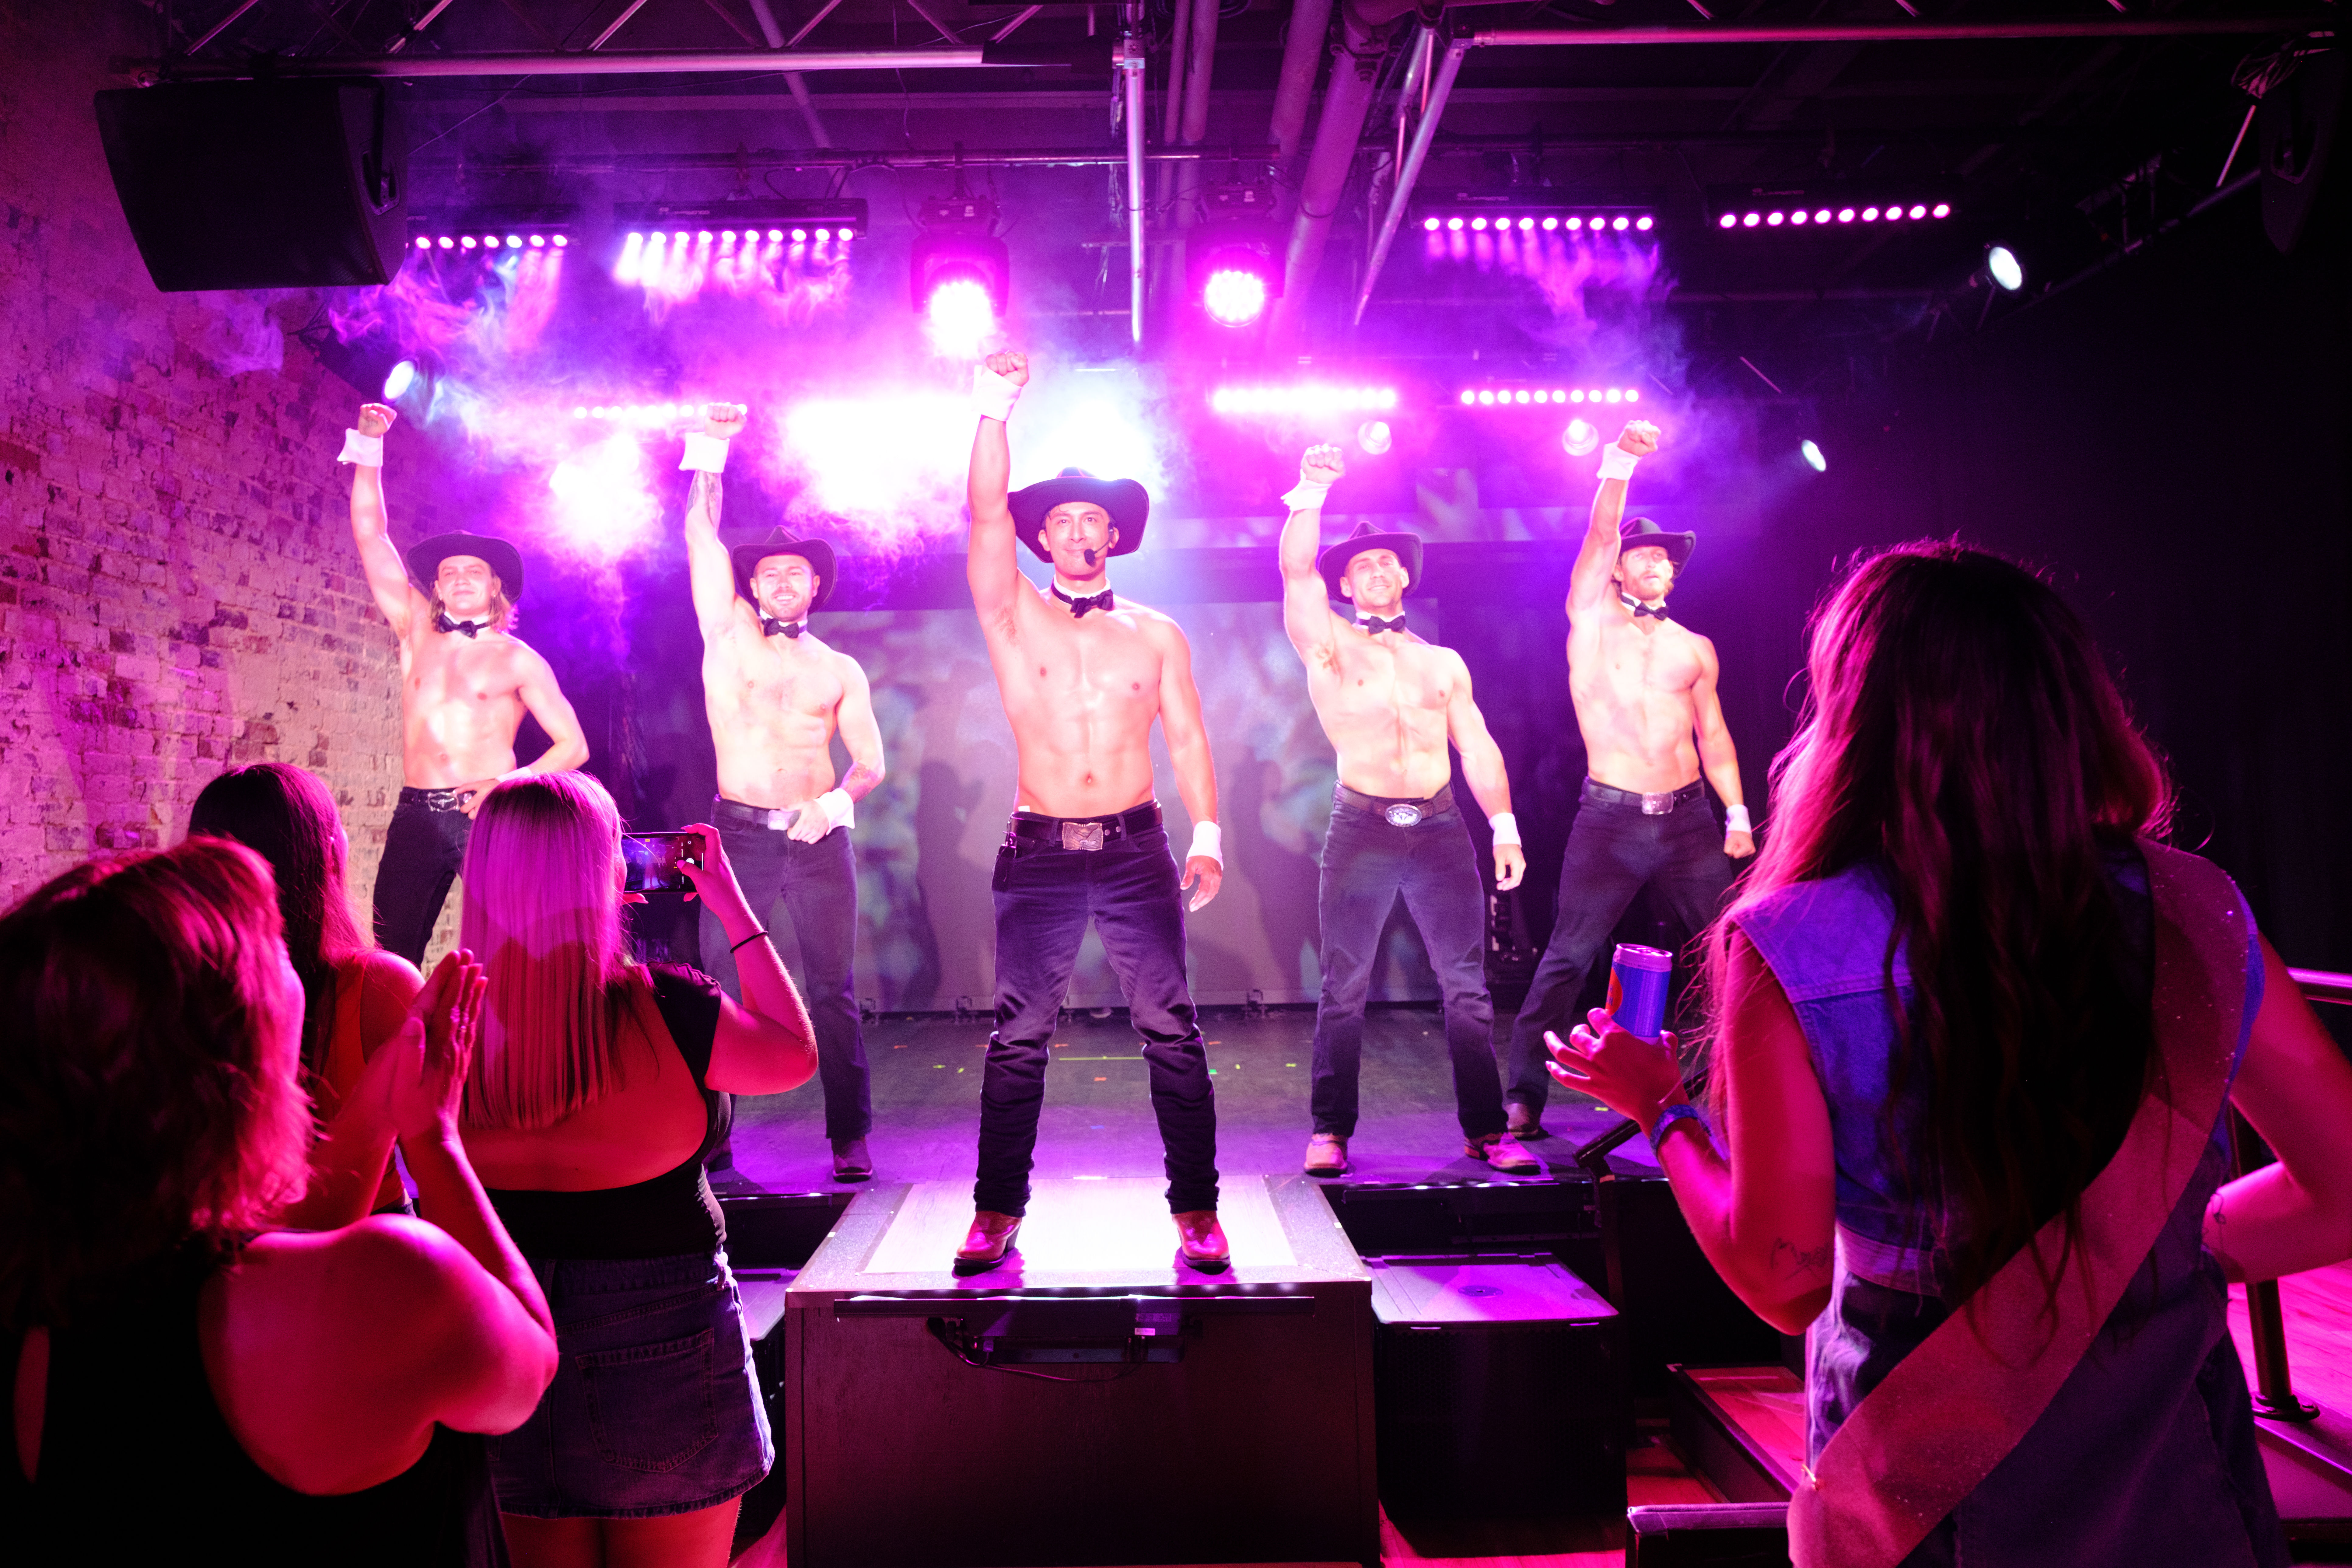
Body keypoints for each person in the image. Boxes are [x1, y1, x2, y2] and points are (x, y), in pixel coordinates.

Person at [1548, 542, 2352, 1567]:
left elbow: (1783, 1276)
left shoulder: (1790, 943)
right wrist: (2153, 1248)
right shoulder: (2199, 909)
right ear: (2072, 709)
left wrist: (1660, 1107)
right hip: (2171, 1463)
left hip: (1926, 1468)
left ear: (1855, 721)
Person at [1, 838, 558, 1565]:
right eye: (271, 957)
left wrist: (382, 1107)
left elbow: (228, 1280)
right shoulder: (397, 1278)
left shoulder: (47, 1302)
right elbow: (529, 1366)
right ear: (227, 1051)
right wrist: (435, 1141)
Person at [451, 773, 819, 1568]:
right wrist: (730, 904)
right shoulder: (670, 1010)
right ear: (602, 873)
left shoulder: (448, 1024)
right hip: (668, 1355)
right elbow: (793, 1053)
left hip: (508, 1353)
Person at [958, 350, 1227, 1276]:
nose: (1076, 531)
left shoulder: (1156, 633)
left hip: (1136, 850)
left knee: (1171, 1031)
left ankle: (1197, 1211)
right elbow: (983, 511)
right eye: (1062, 520)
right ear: (1042, 539)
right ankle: (997, 1213)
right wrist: (995, 405)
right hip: (1038, 851)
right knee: (1018, 1039)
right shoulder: (1010, 617)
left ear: (1113, 537)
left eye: (1092, 520)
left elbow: (1188, 738)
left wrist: (1212, 837)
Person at [1275, 444, 1534, 1178]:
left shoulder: (1444, 662)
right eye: (1361, 565)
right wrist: (1312, 491)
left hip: (1442, 828)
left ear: (1405, 576)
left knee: (1467, 989)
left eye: (1387, 561)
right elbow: (1297, 569)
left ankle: (1485, 1130)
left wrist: (1504, 824)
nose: (1376, 570)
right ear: (1348, 585)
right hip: (1360, 827)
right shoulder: (1326, 643)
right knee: (1345, 986)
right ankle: (1331, 1129)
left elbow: (1477, 745)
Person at [1504, 420, 1753, 1140]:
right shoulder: (1591, 620)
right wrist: (1620, 464)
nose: (1650, 565)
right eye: (1637, 556)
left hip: (1687, 821)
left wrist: (1736, 813)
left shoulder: (1693, 647)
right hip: (1609, 820)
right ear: (1618, 568)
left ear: (1673, 572)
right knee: (1568, 957)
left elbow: (1717, 736)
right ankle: (1522, 1098)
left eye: (1660, 559)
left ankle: (1741, 1093)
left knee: (1730, 951)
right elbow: (1599, 535)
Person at [674, 405, 884, 1184]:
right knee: (718, 988)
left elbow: (870, 761)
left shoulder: (840, 668)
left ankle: (849, 1136)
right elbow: (700, 535)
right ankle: (711, 1142)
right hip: (738, 837)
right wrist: (713, 450)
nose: (783, 580)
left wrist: (834, 803)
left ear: (815, 586)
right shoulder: (725, 635)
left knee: (833, 988)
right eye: (769, 572)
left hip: (819, 839)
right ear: (751, 583)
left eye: (797, 572)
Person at [341, 402, 590, 967]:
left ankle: (503, 1053)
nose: (458, 579)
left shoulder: (518, 659)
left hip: (488, 815)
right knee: (389, 956)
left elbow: (573, 746)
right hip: (415, 814)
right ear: (437, 587)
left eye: (472, 571)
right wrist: (370, 445)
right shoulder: (415, 631)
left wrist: (510, 783)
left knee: (510, 954)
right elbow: (370, 534)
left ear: (495, 587)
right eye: (448, 573)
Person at [189, 760, 425, 1221]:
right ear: (330, 853)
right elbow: (431, 1153)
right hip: (366, 1240)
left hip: (230, 1245)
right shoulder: (384, 986)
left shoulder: (177, 987)